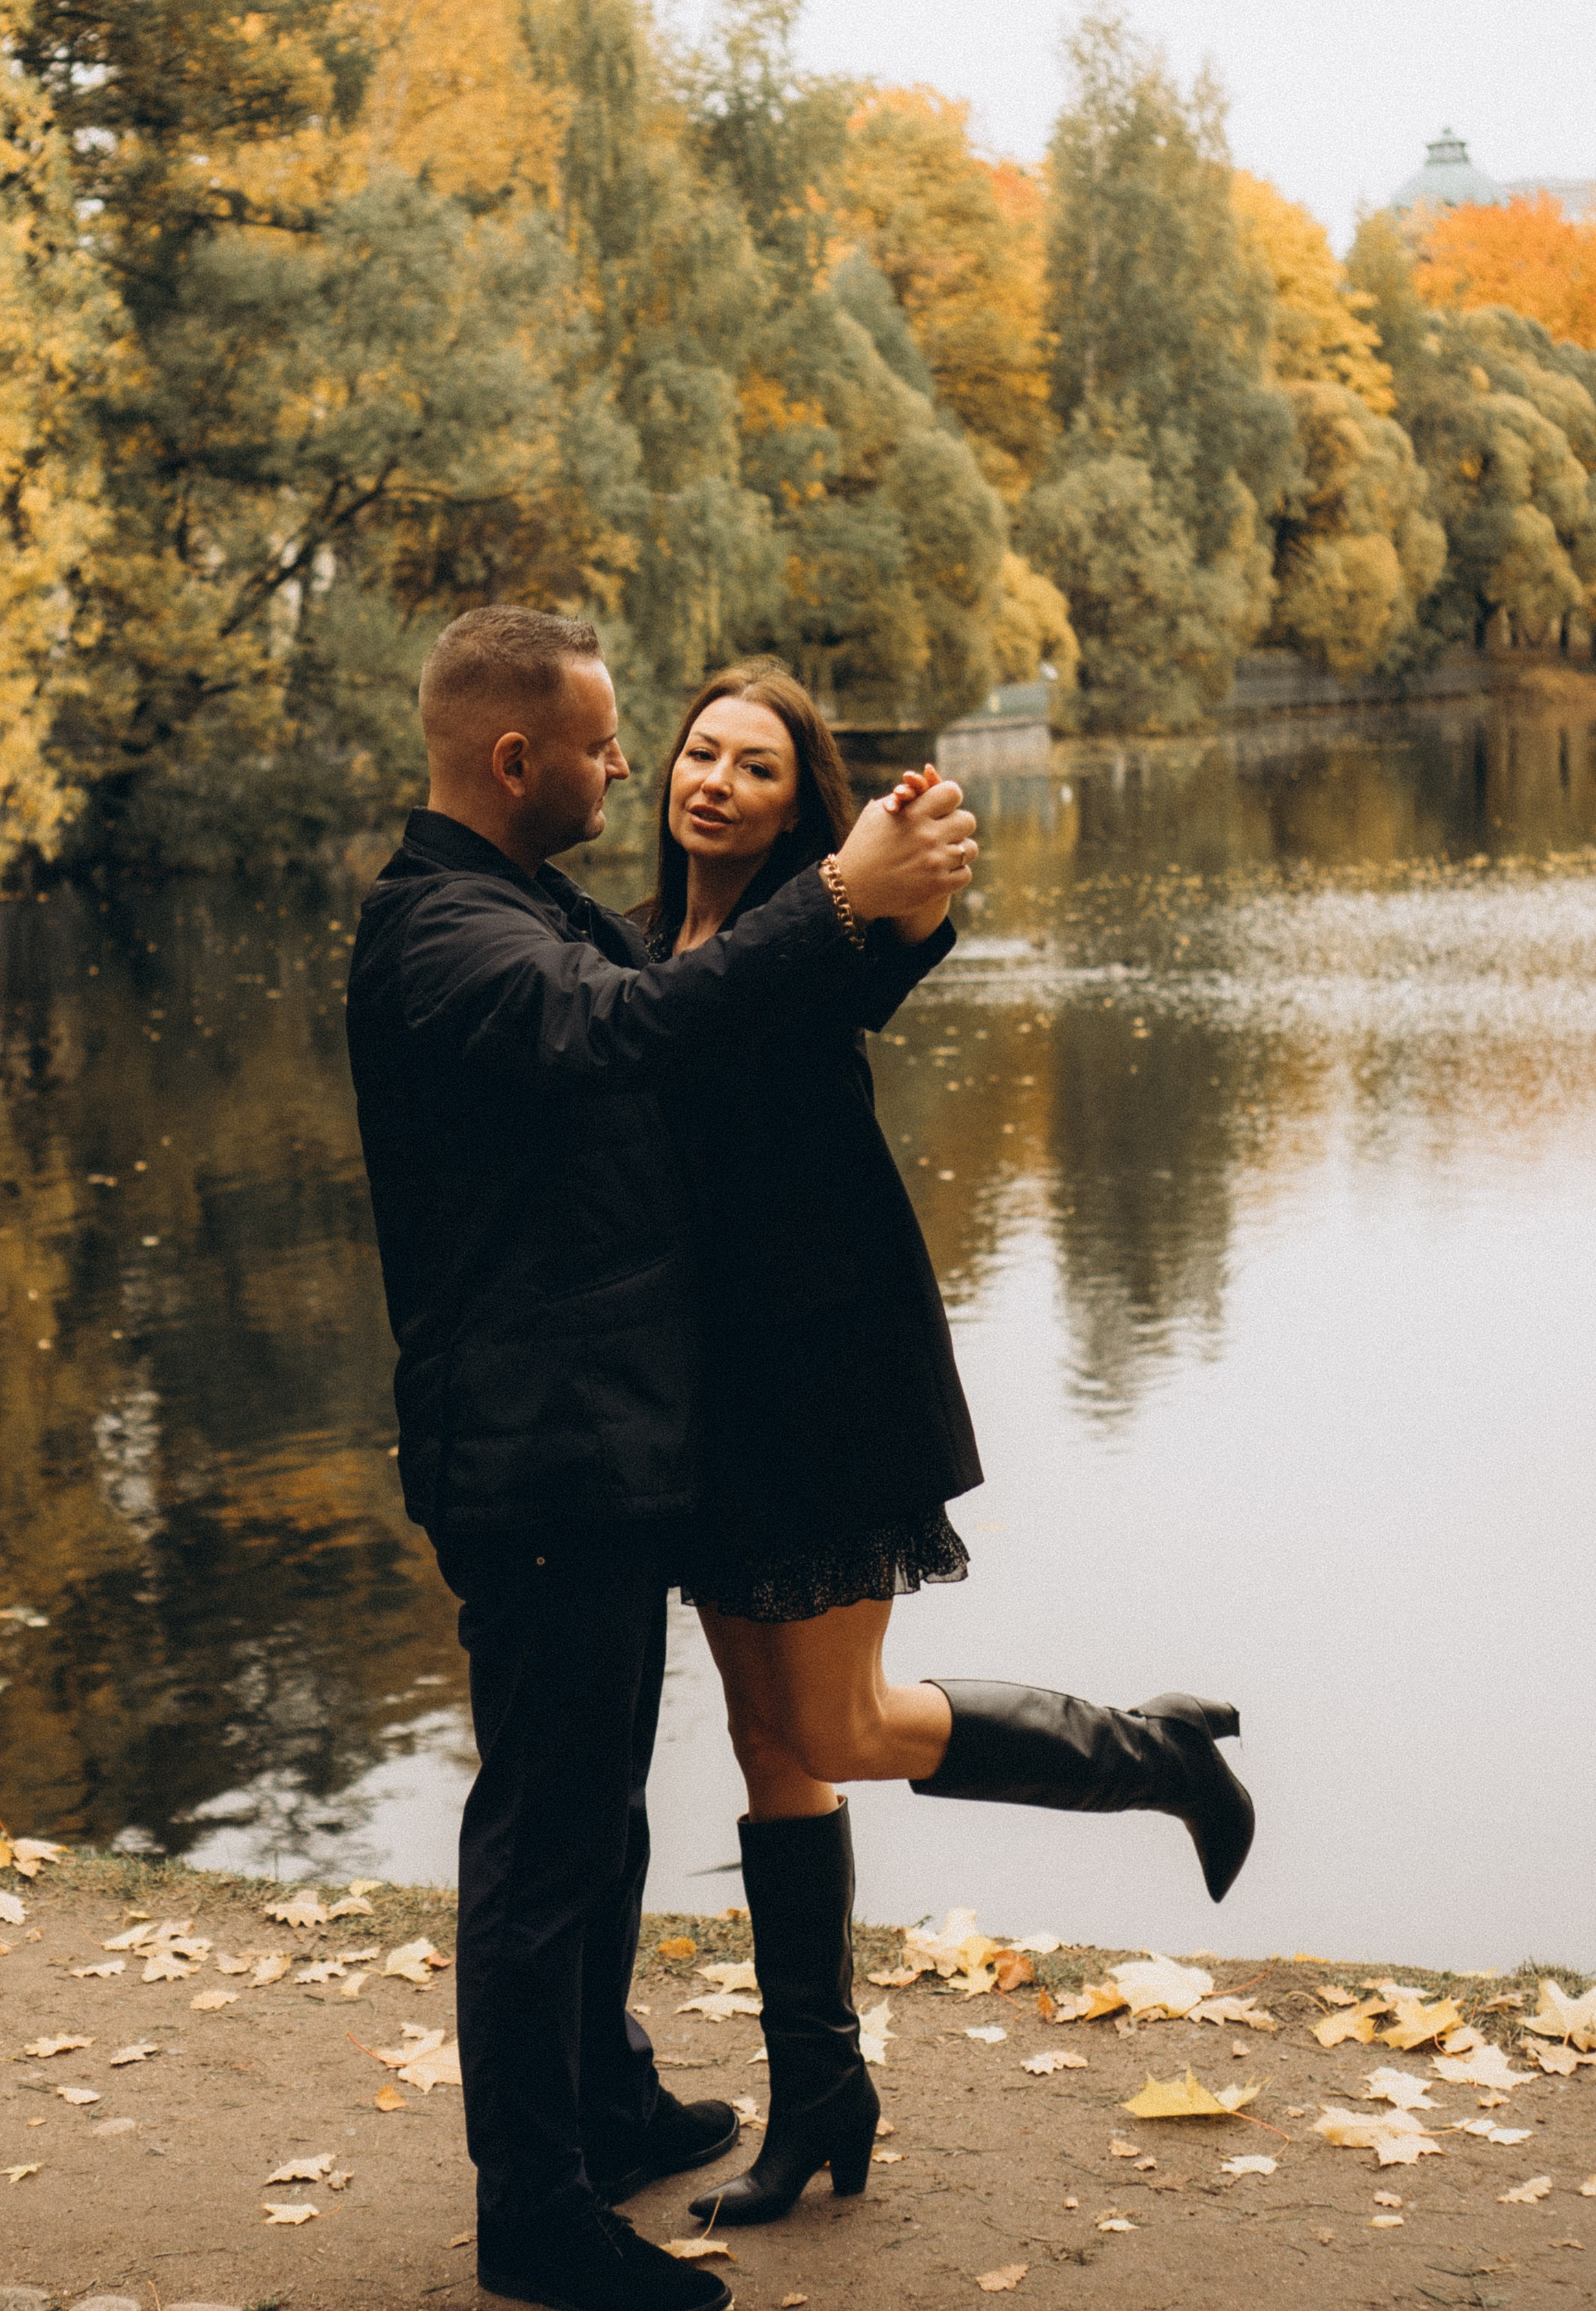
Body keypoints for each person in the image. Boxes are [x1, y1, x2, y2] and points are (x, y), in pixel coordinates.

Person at [343, 608, 977, 2311]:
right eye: (610, 743)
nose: (631, 769)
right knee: (543, 1837)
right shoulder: (446, 934)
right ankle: (535, 2215)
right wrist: (838, 895)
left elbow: (727, 999)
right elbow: (623, 1030)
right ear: (514, 760)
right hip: (534, 1451)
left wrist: (891, 911)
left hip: (600, 1440)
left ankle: (608, 2102)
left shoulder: (530, 901)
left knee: (599, 1814)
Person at [633, 661, 1256, 2229]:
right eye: (699, 752)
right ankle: (818, 2093)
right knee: (768, 1746)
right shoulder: (638, 951)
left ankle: (1153, 1755)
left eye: (757, 768)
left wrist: (903, 866)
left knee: (835, 1724)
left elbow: (892, 939)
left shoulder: (824, 936)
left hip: (828, 1380)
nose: (715, 781)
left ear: (804, 812)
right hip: (707, 1403)